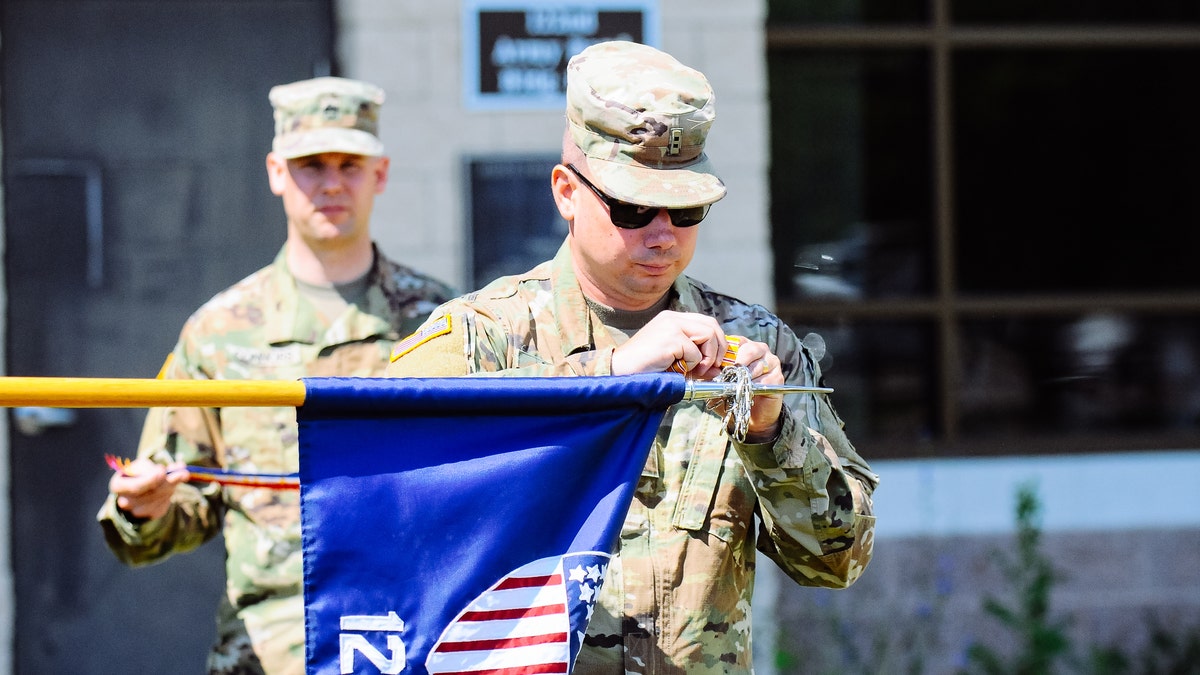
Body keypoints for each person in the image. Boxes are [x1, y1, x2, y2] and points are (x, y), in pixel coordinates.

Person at [386, 41, 878, 674]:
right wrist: (607, 378)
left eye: (687, 208)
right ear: (566, 192)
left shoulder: (757, 347)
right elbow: (394, 507)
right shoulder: (478, 337)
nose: (662, 233)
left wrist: (771, 433)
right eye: (633, 207)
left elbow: (838, 560)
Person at [97, 76, 455, 674]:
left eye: (350, 163)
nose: (333, 182)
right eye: (311, 164)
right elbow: (181, 507)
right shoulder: (219, 333)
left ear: (382, 174)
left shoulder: (441, 323)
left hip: (407, 639)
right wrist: (144, 509)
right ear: (276, 172)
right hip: (269, 651)